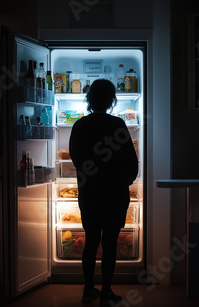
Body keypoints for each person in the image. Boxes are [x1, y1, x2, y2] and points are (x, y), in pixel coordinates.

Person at [69, 79, 138, 304]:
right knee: (110, 242)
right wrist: (124, 181)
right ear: (111, 100)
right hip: (114, 193)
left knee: (90, 241)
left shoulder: (80, 126)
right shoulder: (118, 124)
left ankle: (88, 289)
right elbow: (131, 162)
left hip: (89, 192)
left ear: (89, 100)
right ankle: (106, 290)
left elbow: (74, 157)